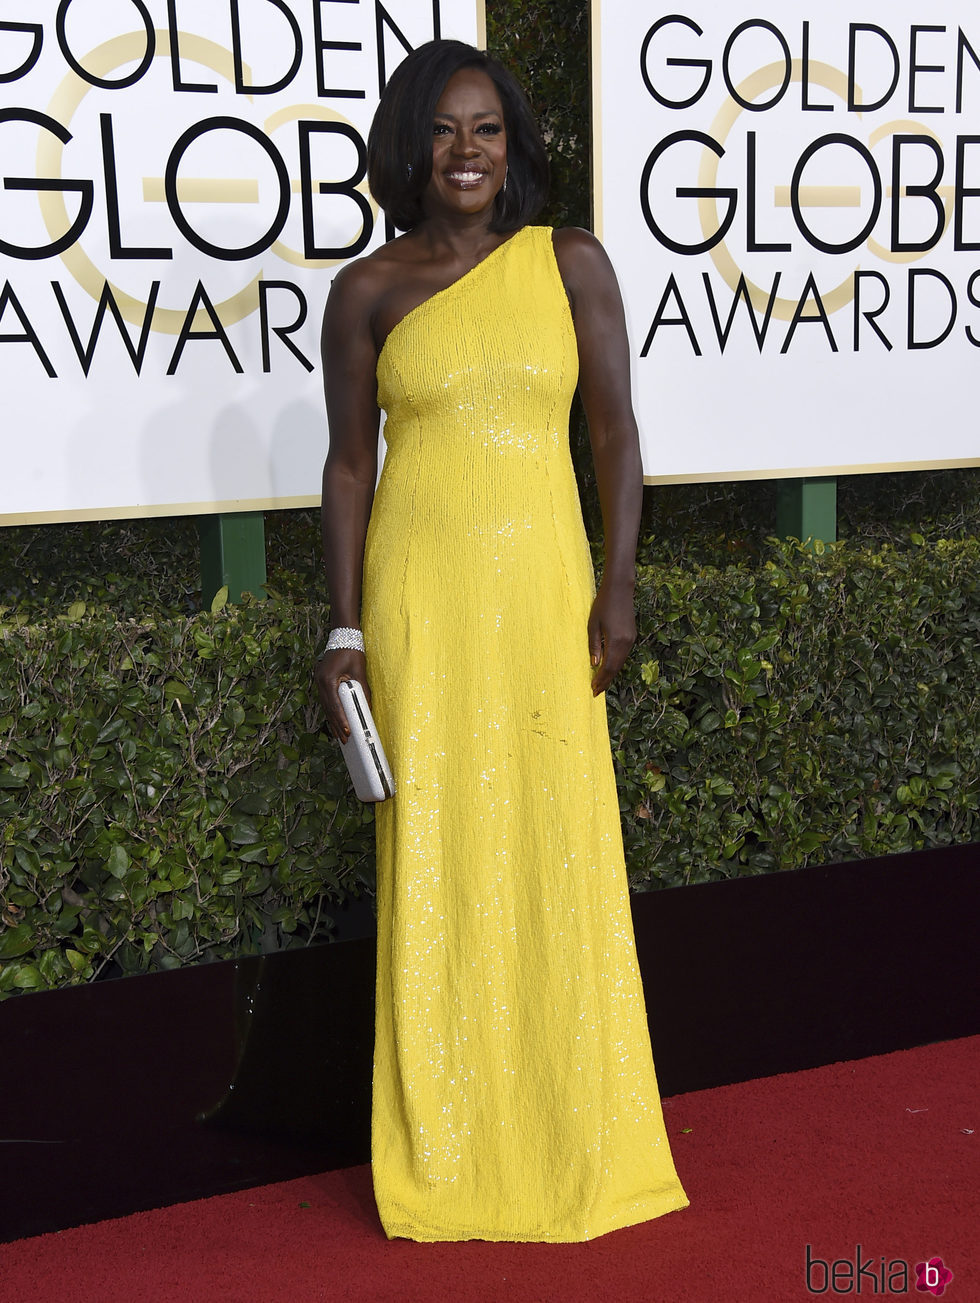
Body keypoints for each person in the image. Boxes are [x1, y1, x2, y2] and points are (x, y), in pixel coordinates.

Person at [315, 38, 688, 1242]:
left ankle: (571, 1128)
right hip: (420, 602)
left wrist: (617, 587)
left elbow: (616, 439)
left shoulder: (570, 260)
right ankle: (448, 1143)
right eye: (441, 130)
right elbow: (347, 465)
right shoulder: (365, 290)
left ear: (513, 146)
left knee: (549, 840)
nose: (465, 152)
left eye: (485, 129)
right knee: (435, 851)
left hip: (541, 596)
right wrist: (343, 628)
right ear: (409, 149)